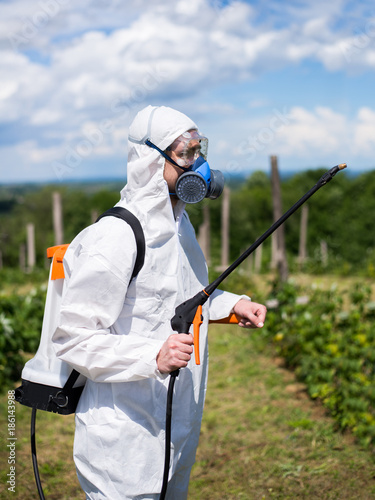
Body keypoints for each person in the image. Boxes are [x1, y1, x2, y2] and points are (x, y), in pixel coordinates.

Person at [52, 105, 267, 499]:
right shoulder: (115, 236)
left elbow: (182, 293)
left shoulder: (178, 222)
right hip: (125, 436)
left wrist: (232, 304)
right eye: (185, 153)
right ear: (152, 159)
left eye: (199, 151)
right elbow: (73, 339)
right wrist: (153, 356)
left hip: (175, 420)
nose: (198, 164)